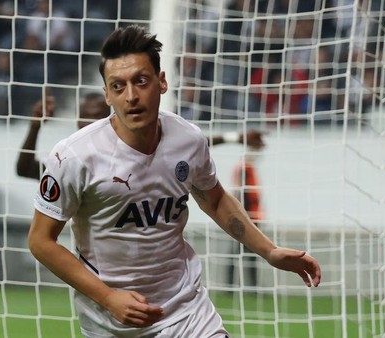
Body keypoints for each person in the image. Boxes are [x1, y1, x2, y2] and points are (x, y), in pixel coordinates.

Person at [27, 25, 321, 337]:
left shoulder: (188, 139)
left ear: (162, 81)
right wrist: (108, 297)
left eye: (141, 81)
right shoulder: (73, 155)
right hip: (111, 321)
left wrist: (269, 250)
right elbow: (40, 240)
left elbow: (216, 199)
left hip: (187, 311)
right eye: (118, 86)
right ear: (107, 95)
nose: (131, 96)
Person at [16, 90, 110, 180]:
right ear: (77, 120)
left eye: (98, 116)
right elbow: (25, 170)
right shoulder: (67, 158)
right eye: (85, 116)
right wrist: (35, 127)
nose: (91, 123)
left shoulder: (121, 154)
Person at [228, 130, 266, 287]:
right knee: (243, 253)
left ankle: (247, 287)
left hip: (252, 216)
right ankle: (238, 287)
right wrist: (245, 217)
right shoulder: (245, 167)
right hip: (249, 218)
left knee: (245, 253)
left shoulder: (246, 167)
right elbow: (242, 193)